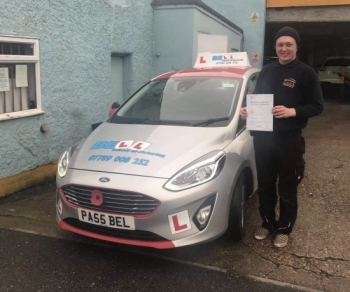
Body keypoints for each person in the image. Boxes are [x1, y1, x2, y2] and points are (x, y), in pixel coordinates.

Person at [240, 27, 323, 248]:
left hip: (289, 140)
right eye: (280, 45)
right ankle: (267, 222)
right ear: (275, 47)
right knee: (265, 185)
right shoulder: (266, 70)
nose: (284, 48)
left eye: (288, 44)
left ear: (296, 47)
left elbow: (317, 106)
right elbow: (257, 98)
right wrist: (247, 109)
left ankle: (284, 228)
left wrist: (292, 112)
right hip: (264, 139)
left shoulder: (306, 73)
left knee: (287, 187)